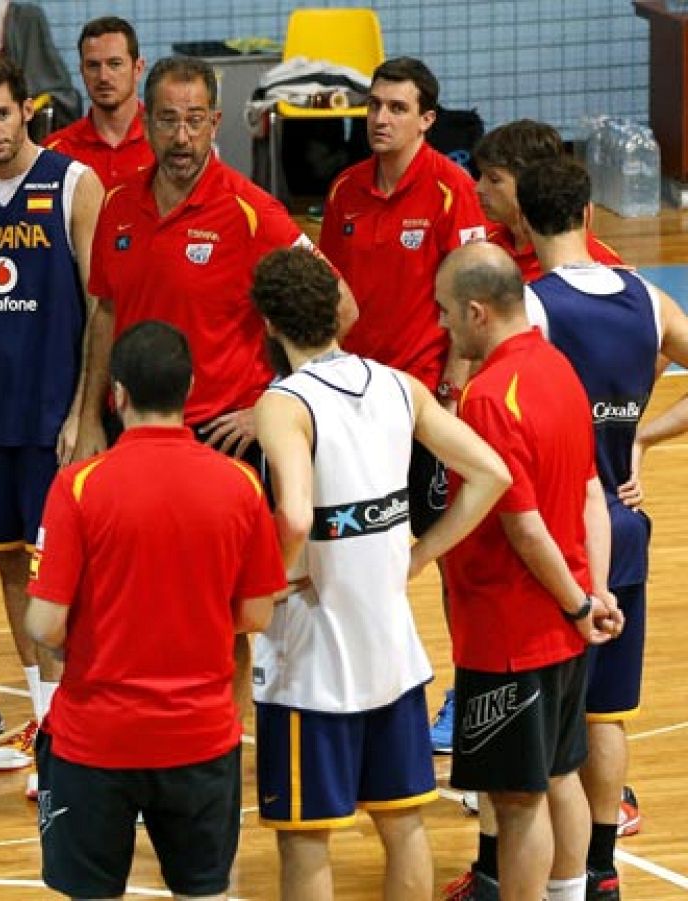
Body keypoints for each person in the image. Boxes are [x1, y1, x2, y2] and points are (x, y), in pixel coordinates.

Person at [251, 247, 510, 901]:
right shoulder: (399, 385)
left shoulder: (284, 402)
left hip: (309, 668)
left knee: (307, 839)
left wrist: (270, 581)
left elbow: (295, 510)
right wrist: (423, 551)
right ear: (337, 311)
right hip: (394, 658)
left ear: (268, 323)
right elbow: (492, 474)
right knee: (404, 826)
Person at [24, 320, 284, 901]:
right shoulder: (241, 484)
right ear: (189, 388)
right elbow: (259, 614)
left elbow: (45, 624)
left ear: (116, 395)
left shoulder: (78, 486)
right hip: (201, 740)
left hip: (97, 742)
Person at [507, 157, 677, 901]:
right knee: (609, 714)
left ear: (524, 223)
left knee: (547, 735)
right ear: (588, 215)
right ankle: (603, 869)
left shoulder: (533, 307)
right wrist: (642, 436)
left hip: (561, 541)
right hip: (628, 526)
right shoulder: (644, 293)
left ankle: (549, 875)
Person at [0, 56, 104, 794]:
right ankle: (44, 718)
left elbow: (101, 306)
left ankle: (78, 725)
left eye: (4, 115)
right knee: (9, 563)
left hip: (51, 418)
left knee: (64, 575)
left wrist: (83, 412)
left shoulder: (72, 182)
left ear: (25, 110)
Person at [434, 242, 623, 901]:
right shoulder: (559, 367)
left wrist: (576, 602)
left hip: (511, 630)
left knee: (516, 800)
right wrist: (593, 593)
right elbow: (589, 492)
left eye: (447, 312)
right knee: (562, 773)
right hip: (562, 623)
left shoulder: (489, 396)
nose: (443, 326)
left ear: (479, 312)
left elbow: (524, 523)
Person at [316, 56, 488, 758]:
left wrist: (449, 389)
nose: (380, 119)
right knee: (351, 554)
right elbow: (325, 292)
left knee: (447, 558)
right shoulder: (345, 191)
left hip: (422, 409)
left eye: (395, 108)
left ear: (425, 119)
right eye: (374, 106)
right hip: (353, 407)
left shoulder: (452, 191)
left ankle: (470, 694)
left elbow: (473, 299)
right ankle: (367, 694)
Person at [77, 55, 338, 464]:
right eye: (167, 120)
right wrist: (89, 417)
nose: (182, 137)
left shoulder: (253, 212)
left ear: (214, 124)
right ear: (146, 125)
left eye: (195, 120)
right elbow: (106, 313)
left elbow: (340, 305)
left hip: (220, 436)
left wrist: (277, 400)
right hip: (128, 429)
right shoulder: (116, 205)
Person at [474, 120, 622, 282]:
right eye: (480, 176)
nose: (479, 188)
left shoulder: (601, 268)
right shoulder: (488, 246)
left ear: (531, 182)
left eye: (494, 179)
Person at [44, 16, 154, 188]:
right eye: (93, 65)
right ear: (81, 71)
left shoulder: (166, 142)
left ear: (138, 69)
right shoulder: (56, 151)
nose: (103, 77)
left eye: (115, 64)